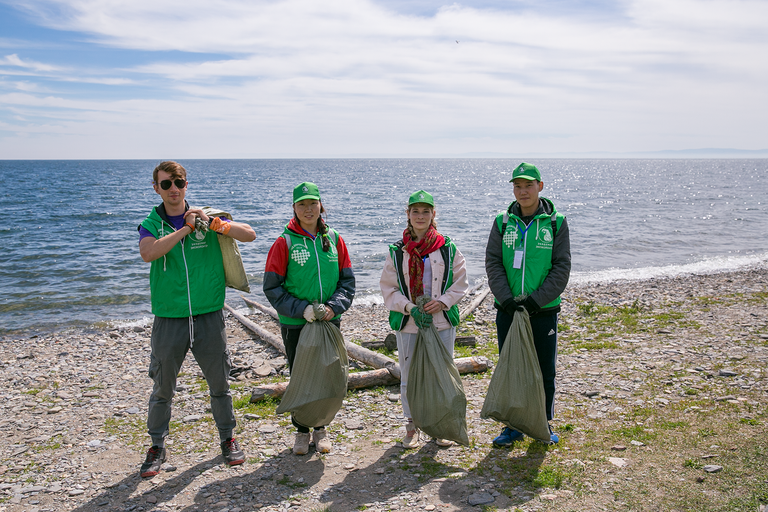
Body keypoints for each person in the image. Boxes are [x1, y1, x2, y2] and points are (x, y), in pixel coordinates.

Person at [137, 161, 256, 478]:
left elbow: (250, 235)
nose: (173, 189)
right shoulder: (151, 223)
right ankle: (156, 446)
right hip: (169, 317)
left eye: (178, 182)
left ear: (186, 184)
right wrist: (187, 229)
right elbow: (148, 253)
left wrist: (214, 224)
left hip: (208, 314)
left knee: (220, 383)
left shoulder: (208, 217)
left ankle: (228, 438)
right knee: (163, 387)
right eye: (166, 184)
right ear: (156, 188)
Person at [263, 182, 355, 455]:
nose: (308, 209)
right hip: (296, 323)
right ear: (294, 208)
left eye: (312, 203)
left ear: (320, 206)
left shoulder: (335, 239)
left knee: (328, 374)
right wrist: (300, 308)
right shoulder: (284, 242)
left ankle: (321, 428)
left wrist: (334, 307)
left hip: (328, 321)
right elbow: (272, 288)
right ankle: (302, 431)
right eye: (301, 204)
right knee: (301, 376)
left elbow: (347, 283)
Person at [485, 162, 571, 446]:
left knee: (544, 368)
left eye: (528, 186)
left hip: (543, 311)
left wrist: (535, 301)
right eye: (517, 186)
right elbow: (493, 263)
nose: (523, 192)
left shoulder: (556, 222)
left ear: (540, 187)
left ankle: (542, 423)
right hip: (508, 310)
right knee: (511, 366)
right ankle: (512, 426)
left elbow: (561, 268)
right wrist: (507, 299)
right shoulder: (502, 222)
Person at [380, 190, 469, 449]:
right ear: (407, 215)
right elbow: (389, 288)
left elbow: (460, 282)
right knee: (408, 377)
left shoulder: (448, 248)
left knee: (440, 373)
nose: (420, 216)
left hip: (441, 321)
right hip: (409, 323)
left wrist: (441, 302)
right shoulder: (397, 251)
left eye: (425, 211)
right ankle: (411, 425)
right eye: (415, 211)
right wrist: (409, 307)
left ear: (433, 214)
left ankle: (439, 426)